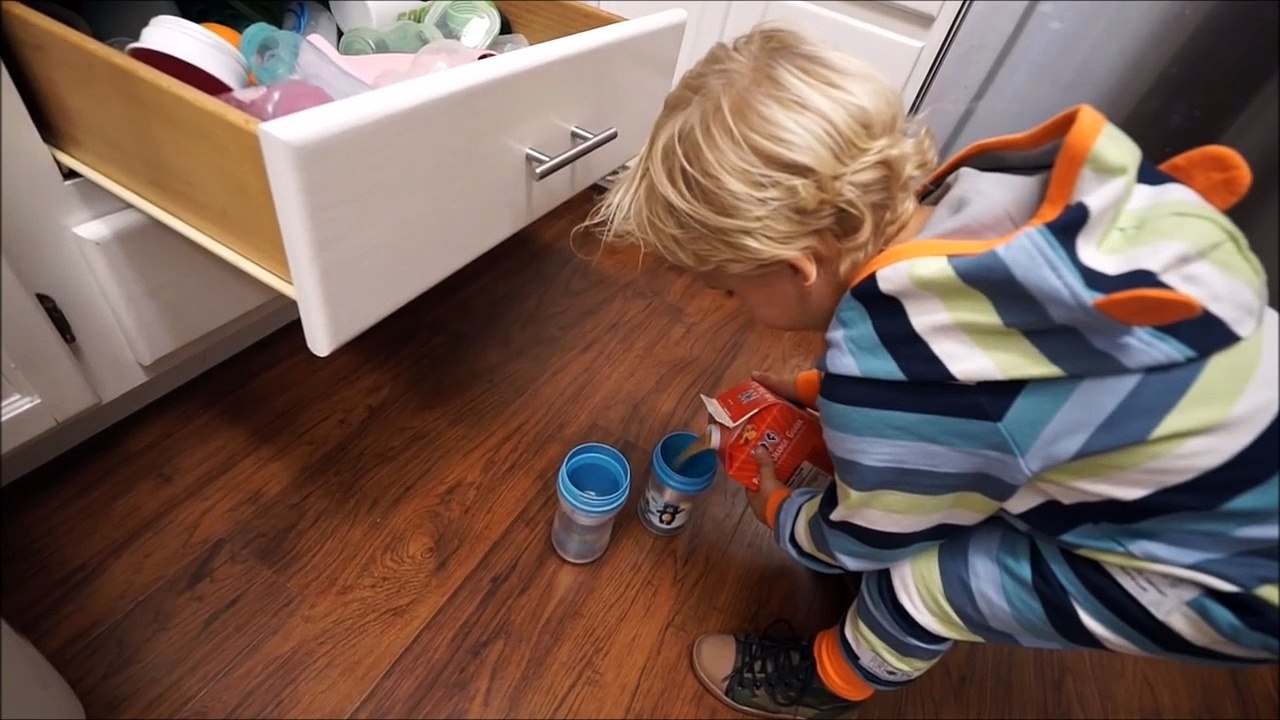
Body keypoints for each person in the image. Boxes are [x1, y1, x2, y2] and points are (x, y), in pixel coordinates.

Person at [586, 25, 1279, 720]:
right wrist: (819, 395)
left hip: (1231, 576)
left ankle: (830, 680)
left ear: (799, 268)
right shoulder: (980, 201)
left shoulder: (887, 365)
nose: (733, 305)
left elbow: (864, 538)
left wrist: (784, 512)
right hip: (1243, 459)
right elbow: (996, 390)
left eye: (730, 289)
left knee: (928, 577)